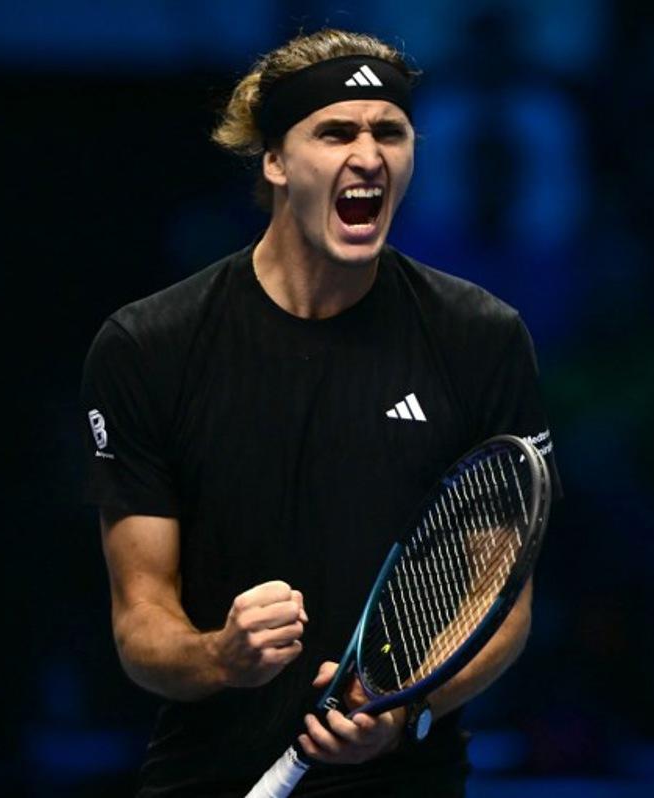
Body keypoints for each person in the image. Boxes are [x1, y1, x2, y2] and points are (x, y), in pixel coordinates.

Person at [80, 28, 559, 797]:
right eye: (336, 131)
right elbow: (141, 624)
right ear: (274, 161)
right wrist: (219, 656)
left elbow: (499, 606)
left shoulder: (480, 339)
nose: (367, 157)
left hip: (406, 782)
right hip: (204, 776)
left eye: (390, 133)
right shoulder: (148, 346)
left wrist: (405, 712)